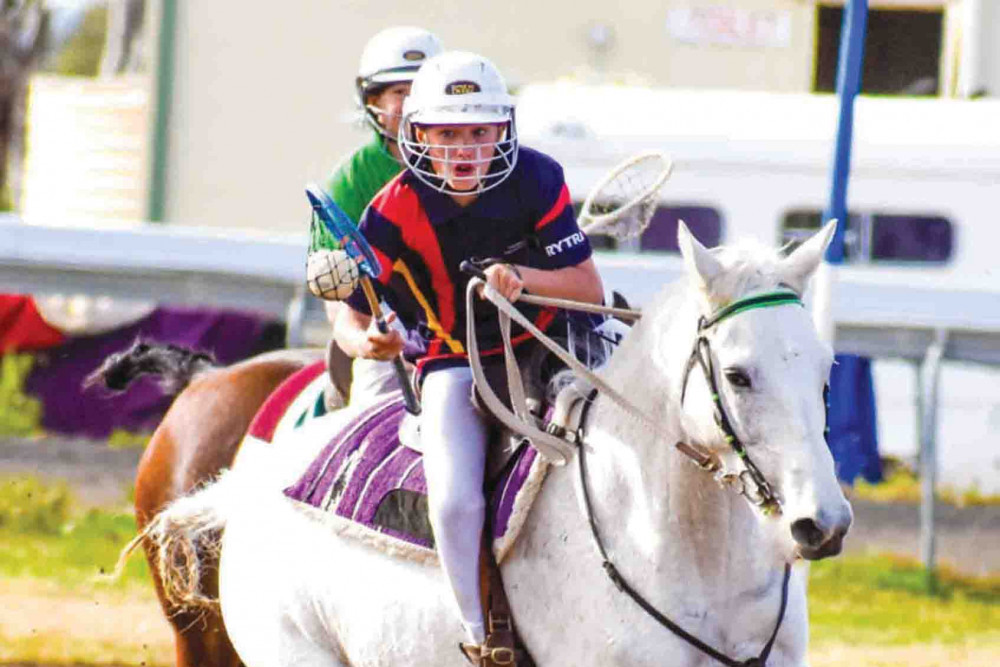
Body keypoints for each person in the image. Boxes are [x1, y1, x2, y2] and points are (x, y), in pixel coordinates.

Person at [331, 50, 604, 661]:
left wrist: (524, 278)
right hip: (452, 360)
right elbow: (352, 314)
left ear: (503, 130)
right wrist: (368, 342)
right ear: (418, 134)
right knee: (454, 500)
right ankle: (480, 638)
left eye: (480, 131)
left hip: (548, 347)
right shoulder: (391, 209)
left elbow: (589, 289)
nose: (465, 149)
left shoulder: (538, 178)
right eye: (448, 133)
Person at [307, 26, 443, 404]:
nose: (412, 104)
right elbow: (335, 289)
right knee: (370, 405)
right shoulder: (352, 178)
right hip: (384, 323)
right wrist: (363, 338)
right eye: (401, 93)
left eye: (422, 92)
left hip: (468, 324)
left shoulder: (468, 165)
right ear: (374, 104)